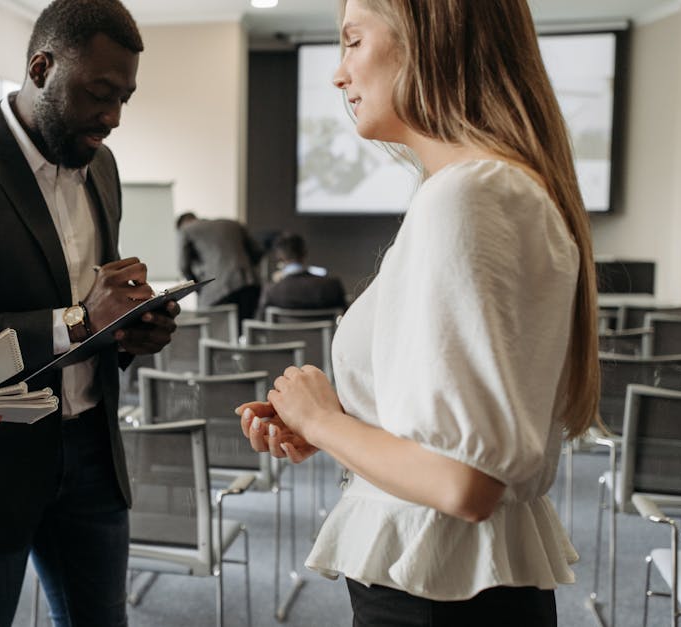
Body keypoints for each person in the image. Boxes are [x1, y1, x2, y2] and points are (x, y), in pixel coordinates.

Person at [237, 0, 599, 625]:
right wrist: (343, 425)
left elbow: (464, 482)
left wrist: (321, 420)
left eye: (353, 41)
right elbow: (452, 442)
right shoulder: (483, 190)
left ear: (426, 38)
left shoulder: (469, 195)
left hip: (435, 596)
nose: (339, 73)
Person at [0, 1, 179, 624]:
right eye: (99, 93)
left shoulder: (101, 166)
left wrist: (128, 330)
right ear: (41, 69)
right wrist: (79, 322)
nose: (113, 117)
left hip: (93, 450)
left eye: (124, 98)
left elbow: (93, 309)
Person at [176, 212, 263, 321]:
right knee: (244, 327)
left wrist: (198, 287)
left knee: (216, 328)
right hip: (249, 284)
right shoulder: (233, 223)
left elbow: (183, 266)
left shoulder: (186, 229)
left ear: (182, 224)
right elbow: (258, 251)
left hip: (219, 291)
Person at [256, 231, 347, 319]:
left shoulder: (271, 290)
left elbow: (260, 322)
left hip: (283, 330)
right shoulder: (332, 286)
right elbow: (347, 317)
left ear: (279, 258)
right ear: (304, 253)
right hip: (325, 330)